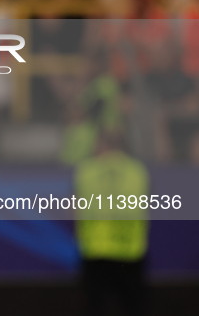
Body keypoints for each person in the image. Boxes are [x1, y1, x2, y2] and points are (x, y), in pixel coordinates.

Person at [74, 131, 149, 316]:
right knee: (133, 308)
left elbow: (76, 209)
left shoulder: (86, 171)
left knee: (94, 308)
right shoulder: (138, 171)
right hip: (130, 251)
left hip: (95, 251)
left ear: (101, 144)